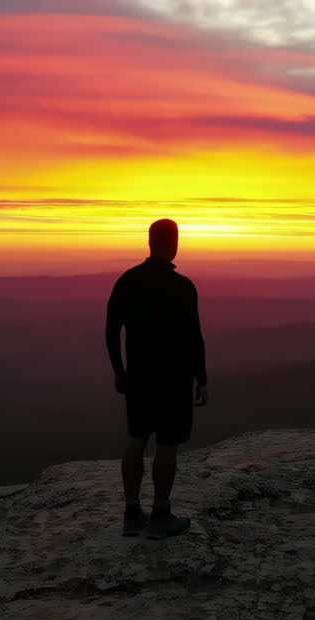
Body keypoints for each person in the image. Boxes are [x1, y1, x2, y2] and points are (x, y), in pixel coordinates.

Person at [106, 218, 209, 539]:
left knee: (136, 437)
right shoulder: (182, 286)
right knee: (167, 444)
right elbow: (195, 337)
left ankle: (131, 512)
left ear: (150, 242)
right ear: (174, 243)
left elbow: (111, 331)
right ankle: (161, 514)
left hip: (138, 376)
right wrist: (201, 378)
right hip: (174, 379)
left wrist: (119, 371)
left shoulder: (127, 281)